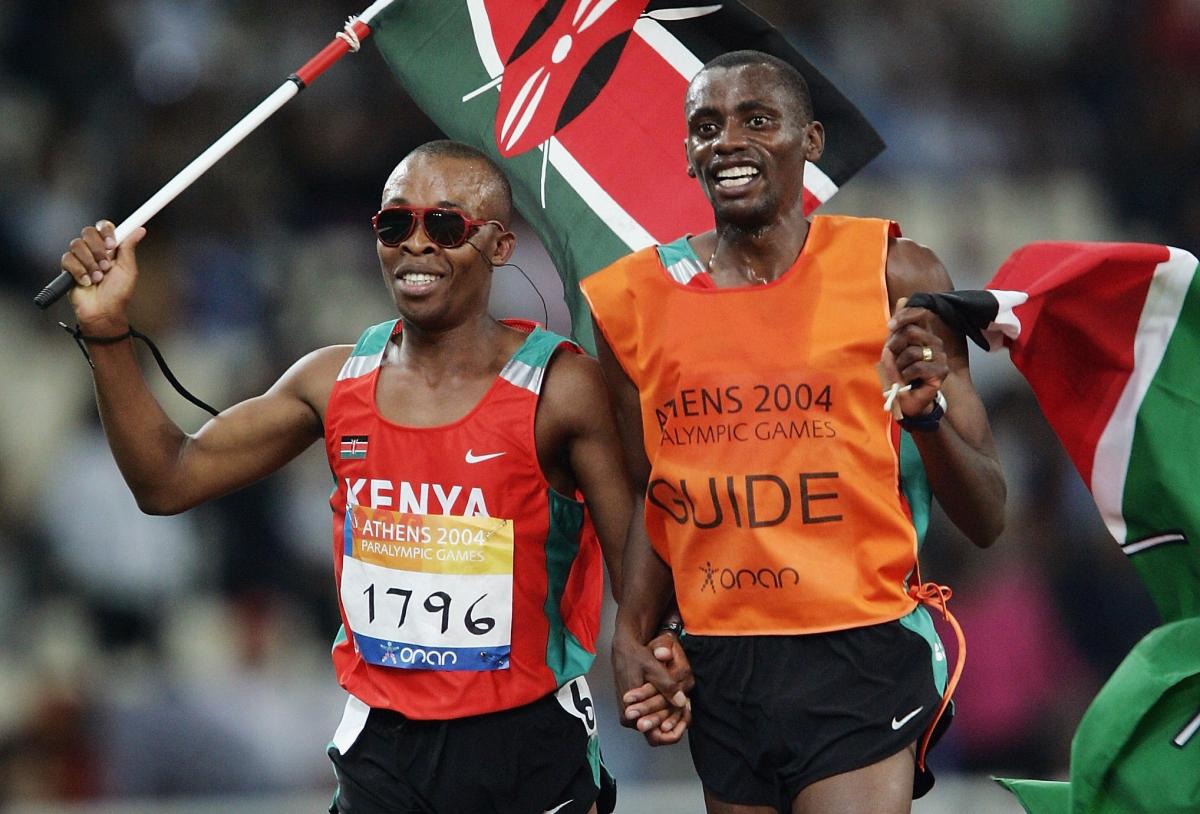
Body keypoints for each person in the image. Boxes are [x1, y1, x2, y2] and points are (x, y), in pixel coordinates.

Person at [58, 140, 656, 814]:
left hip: (527, 748)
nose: (417, 245)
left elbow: (635, 538)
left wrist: (643, 642)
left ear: (497, 244)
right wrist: (106, 328)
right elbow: (166, 480)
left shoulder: (559, 386)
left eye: (447, 225)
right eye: (396, 223)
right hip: (384, 754)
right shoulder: (332, 379)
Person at [582, 51, 1007, 814]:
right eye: (706, 127)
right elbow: (660, 489)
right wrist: (634, 633)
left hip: (858, 648)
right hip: (722, 660)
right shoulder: (633, 301)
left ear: (810, 141)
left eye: (758, 120)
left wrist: (928, 416)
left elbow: (987, 514)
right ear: (686, 153)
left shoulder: (895, 274)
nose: (728, 141)